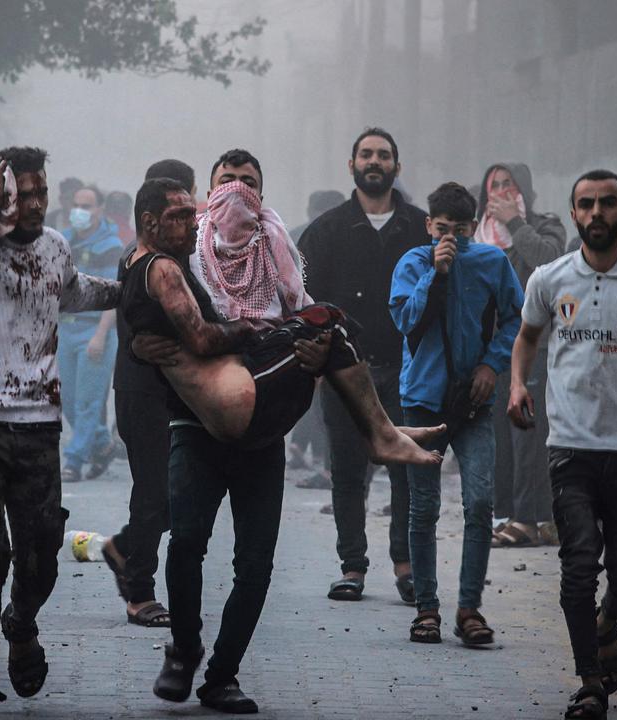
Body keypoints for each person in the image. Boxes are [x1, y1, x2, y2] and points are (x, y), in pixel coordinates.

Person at [124, 177, 440, 715]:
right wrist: (139, 346)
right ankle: (184, 648)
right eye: (224, 194)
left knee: (256, 563)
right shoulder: (184, 260)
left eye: (251, 196)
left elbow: (300, 318)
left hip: (263, 428)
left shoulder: (276, 258)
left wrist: (309, 353)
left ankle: (222, 674)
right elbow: (141, 306)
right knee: (185, 544)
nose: (233, 210)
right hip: (195, 427)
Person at [0, 148, 120, 719]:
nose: (35, 204)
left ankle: (23, 622)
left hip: (37, 427)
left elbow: (77, 290)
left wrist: (135, 282)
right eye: (22, 195)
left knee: (42, 555)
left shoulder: (55, 247)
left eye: (40, 193)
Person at [508, 169, 617, 719]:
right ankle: (589, 683)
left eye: (608, 203)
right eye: (587, 204)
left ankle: (607, 626)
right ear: (574, 212)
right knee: (578, 563)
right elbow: (527, 339)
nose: (598, 213)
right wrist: (517, 383)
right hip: (571, 447)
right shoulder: (550, 277)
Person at [298, 127, 429, 603]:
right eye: (366, 154)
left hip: (410, 372)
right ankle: (352, 567)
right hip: (345, 372)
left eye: (384, 155)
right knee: (348, 473)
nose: (375, 161)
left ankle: (406, 566)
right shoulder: (326, 231)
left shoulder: (421, 228)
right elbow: (303, 301)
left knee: (406, 473)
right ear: (350, 165)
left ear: (397, 166)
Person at [391, 182, 523, 646]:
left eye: (459, 230)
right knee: (423, 505)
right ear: (429, 225)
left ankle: (469, 608)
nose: (450, 237)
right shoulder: (412, 263)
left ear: (473, 228)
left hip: (472, 402)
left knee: (480, 501)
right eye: (442, 229)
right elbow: (405, 320)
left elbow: (514, 317)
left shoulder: (491, 262)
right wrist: (436, 272)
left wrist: (492, 364)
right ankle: (427, 608)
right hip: (422, 400)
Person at [102, 159, 199, 630]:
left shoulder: (173, 258)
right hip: (143, 390)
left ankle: (125, 547)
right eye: (177, 212)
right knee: (154, 492)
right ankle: (139, 591)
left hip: (167, 390)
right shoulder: (146, 260)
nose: (187, 222)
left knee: (168, 494)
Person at [474, 162, 566, 549]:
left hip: (535, 346)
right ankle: (505, 515)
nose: (500, 191)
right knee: (496, 436)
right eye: (493, 185)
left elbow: (547, 261)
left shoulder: (546, 225)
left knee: (527, 432)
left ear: (523, 189)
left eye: (508, 184)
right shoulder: (478, 233)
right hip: (492, 351)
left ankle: (529, 517)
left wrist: (515, 224)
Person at [58, 185, 121, 483]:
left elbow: (113, 296)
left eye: (87, 206)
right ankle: (102, 443)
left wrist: (101, 335)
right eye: (77, 205)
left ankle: (73, 460)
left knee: (87, 402)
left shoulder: (111, 245)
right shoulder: (63, 242)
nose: (80, 211)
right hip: (65, 330)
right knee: (67, 400)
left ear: (100, 210)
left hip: (95, 332)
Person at [287, 188, 346, 485]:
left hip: (309, 325)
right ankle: (328, 465)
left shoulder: (295, 235)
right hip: (326, 325)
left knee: (318, 395)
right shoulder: (345, 236)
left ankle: (320, 459)